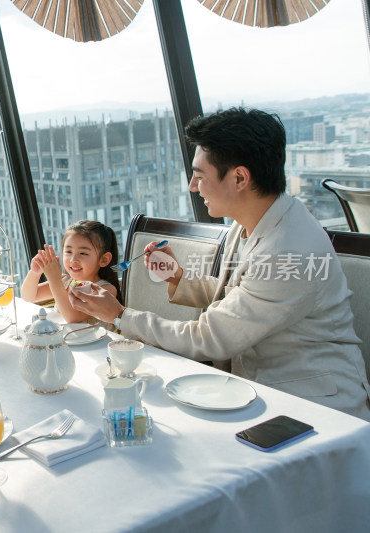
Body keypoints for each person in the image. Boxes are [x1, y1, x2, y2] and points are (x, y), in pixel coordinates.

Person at [69, 107, 370, 420]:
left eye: (200, 175)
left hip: (316, 409)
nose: (192, 186)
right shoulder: (250, 222)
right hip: (258, 388)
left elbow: (208, 338)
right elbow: (241, 293)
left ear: (240, 177)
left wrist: (119, 315)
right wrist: (178, 280)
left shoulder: (290, 248)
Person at [21, 220, 122, 324]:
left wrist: (54, 279)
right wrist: (35, 272)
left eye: (83, 253)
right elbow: (29, 296)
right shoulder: (65, 281)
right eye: (68, 252)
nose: (73, 259)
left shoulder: (106, 290)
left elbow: (73, 318)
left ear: (103, 259)